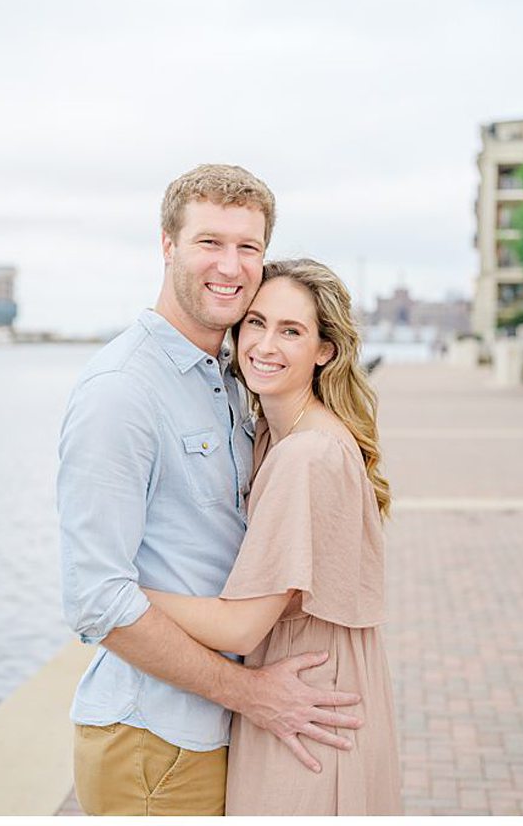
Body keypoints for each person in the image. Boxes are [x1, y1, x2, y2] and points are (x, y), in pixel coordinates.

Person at [58, 166, 364, 818]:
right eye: (209, 242)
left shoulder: (230, 378)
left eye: (248, 247)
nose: (230, 265)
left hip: (219, 733)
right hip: (155, 740)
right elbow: (95, 601)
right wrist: (250, 693)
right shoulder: (121, 391)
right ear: (167, 246)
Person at [143, 258, 399, 816]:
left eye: (291, 331)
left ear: (325, 349)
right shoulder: (275, 434)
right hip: (311, 689)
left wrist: (121, 595)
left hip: (306, 704)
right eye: (256, 322)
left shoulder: (305, 455)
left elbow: (240, 623)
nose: (265, 344)